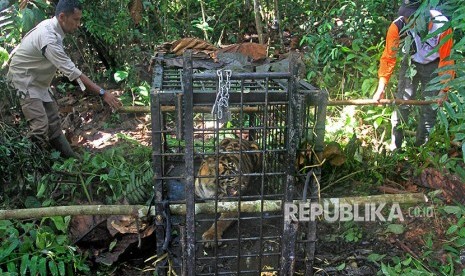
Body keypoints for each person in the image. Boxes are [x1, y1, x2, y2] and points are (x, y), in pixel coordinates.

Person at [6, 0, 122, 158]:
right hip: (23, 81)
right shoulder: (49, 38)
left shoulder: (53, 28)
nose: (78, 24)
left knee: (53, 121)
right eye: (76, 20)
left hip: (38, 82)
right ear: (62, 17)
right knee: (40, 126)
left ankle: (69, 159)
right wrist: (103, 93)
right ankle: (33, 168)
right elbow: (73, 73)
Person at [372, 0, 454, 150]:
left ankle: (420, 149)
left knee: (430, 107)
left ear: (425, 13)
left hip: (434, 65)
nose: (408, 20)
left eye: (412, 16)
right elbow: (389, 57)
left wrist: (444, 89)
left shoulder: (442, 26)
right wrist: (381, 87)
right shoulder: (398, 26)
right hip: (410, 62)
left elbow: (447, 60)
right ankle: (395, 147)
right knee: (402, 102)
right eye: (406, 15)